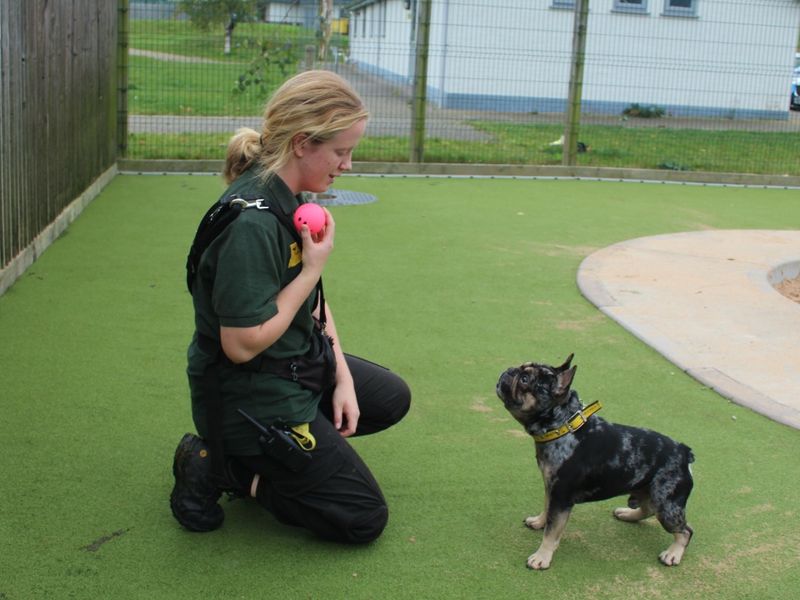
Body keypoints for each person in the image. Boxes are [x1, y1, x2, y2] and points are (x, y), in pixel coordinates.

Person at [169, 70, 411, 544]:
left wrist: (340, 376)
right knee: (362, 518)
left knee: (388, 398)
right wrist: (311, 271)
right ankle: (224, 467)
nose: (348, 164)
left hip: (290, 363)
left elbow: (311, 306)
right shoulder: (252, 225)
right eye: (341, 151)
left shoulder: (289, 195)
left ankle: (286, 449)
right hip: (246, 391)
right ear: (302, 142)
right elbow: (240, 346)